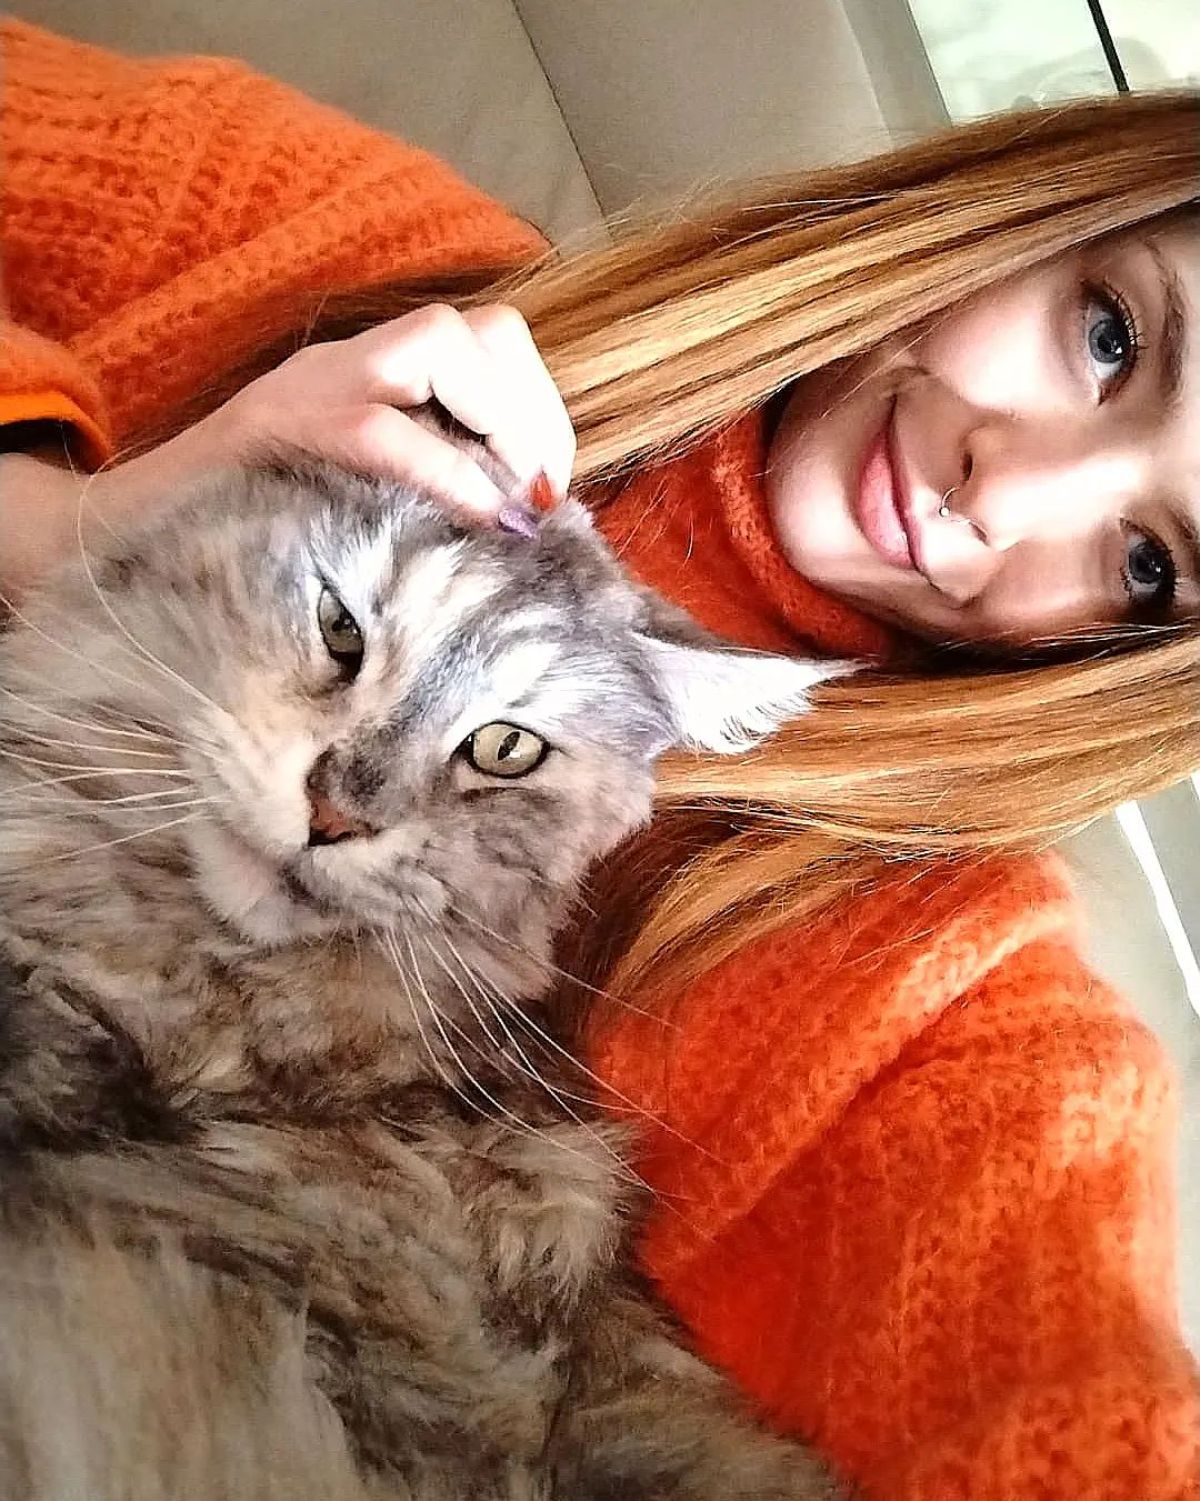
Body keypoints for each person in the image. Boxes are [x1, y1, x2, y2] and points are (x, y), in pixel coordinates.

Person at [2, 18, 1198, 1497]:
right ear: (1030, 205)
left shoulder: (945, 980)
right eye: (1113, 338)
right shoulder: (374, 251)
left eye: (1149, 563)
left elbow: (1062, 1381)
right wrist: (80, 518)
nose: (1006, 490)